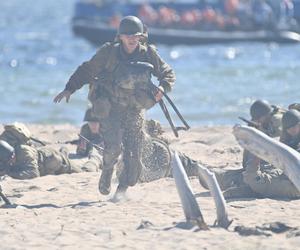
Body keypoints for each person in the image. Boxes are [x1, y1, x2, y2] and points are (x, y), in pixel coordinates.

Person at [53, 15, 175, 195]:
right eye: (129, 36)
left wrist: (163, 88)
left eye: (136, 36)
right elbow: (87, 70)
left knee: (134, 158)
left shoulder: (148, 53)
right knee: (113, 148)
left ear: (141, 36)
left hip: (135, 109)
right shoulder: (108, 53)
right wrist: (69, 88)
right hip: (111, 108)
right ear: (121, 37)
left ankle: (123, 188)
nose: (133, 39)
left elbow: (167, 72)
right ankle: (107, 171)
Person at [0, 139, 102, 180]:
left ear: (12, 155)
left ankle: (95, 157)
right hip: (48, 160)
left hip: (59, 164)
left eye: (10, 160)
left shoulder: (25, 152)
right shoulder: (7, 157)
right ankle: (64, 150)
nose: (10, 162)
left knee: (86, 171)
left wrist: (10, 173)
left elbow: (34, 174)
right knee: (62, 154)